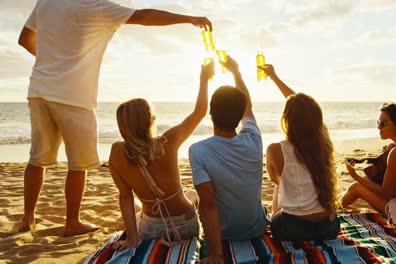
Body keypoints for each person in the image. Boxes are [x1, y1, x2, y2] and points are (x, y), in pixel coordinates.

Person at [17, 0, 212, 236]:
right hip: (74, 95)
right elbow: (145, 16)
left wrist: (53, 62)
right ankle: (72, 221)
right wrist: (189, 19)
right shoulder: (95, 6)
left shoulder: (46, 2)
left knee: (37, 158)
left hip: (39, 88)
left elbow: (24, 39)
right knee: (78, 164)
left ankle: (27, 219)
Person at [108, 62, 214, 251]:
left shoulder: (117, 152)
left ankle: (136, 230)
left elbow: (124, 196)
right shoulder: (167, 141)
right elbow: (200, 111)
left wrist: (132, 240)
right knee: (192, 194)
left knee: (133, 202)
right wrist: (204, 78)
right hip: (186, 226)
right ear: (150, 119)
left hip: (152, 229)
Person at [189, 56, 269, 263]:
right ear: (240, 114)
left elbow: (208, 205)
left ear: (210, 114)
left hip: (224, 234)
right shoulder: (254, 138)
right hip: (256, 228)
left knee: (196, 197)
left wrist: (216, 255)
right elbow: (248, 106)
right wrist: (236, 72)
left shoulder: (198, 151)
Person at [261, 64, 340, 241]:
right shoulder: (324, 145)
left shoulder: (275, 150)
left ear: (287, 119)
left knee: (277, 187)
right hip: (328, 228)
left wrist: (273, 77)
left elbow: (276, 180)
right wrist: (274, 77)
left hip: (291, 230)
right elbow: (303, 108)